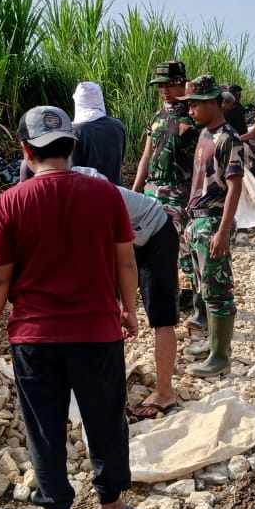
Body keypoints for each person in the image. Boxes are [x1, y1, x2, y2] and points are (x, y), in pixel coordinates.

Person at [0, 106, 141, 509]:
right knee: (105, 418)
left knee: (44, 425)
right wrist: (129, 310)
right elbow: (125, 259)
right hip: (97, 332)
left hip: (34, 337)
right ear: (72, 146)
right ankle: (110, 507)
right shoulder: (105, 195)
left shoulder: (9, 203)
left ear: (27, 152)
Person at [76, 167, 181, 420]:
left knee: (160, 315)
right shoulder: (51, 196)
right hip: (125, 240)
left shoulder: (90, 193)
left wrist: (129, 309)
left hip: (156, 232)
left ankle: (165, 392)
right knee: (106, 309)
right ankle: (111, 393)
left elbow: (124, 263)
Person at [179, 75, 246, 376]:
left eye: (194, 104)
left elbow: (235, 187)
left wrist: (222, 231)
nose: (190, 110)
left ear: (212, 103)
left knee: (218, 288)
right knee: (202, 284)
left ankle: (221, 355)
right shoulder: (205, 134)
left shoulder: (227, 138)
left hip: (214, 221)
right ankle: (211, 343)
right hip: (197, 220)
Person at [133, 61, 200, 317]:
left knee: (186, 249)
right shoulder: (157, 117)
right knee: (156, 249)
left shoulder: (193, 118)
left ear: (182, 83)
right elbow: (147, 156)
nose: (164, 90)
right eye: (160, 85)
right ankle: (167, 299)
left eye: (169, 84)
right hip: (153, 193)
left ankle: (199, 306)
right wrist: (136, 190)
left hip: (181, 193)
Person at [71, 81, 126, 185]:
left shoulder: (75, 131)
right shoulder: (117, 126)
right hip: (116, 192)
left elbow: (73, 169)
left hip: (88, 194)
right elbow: (120, 159)